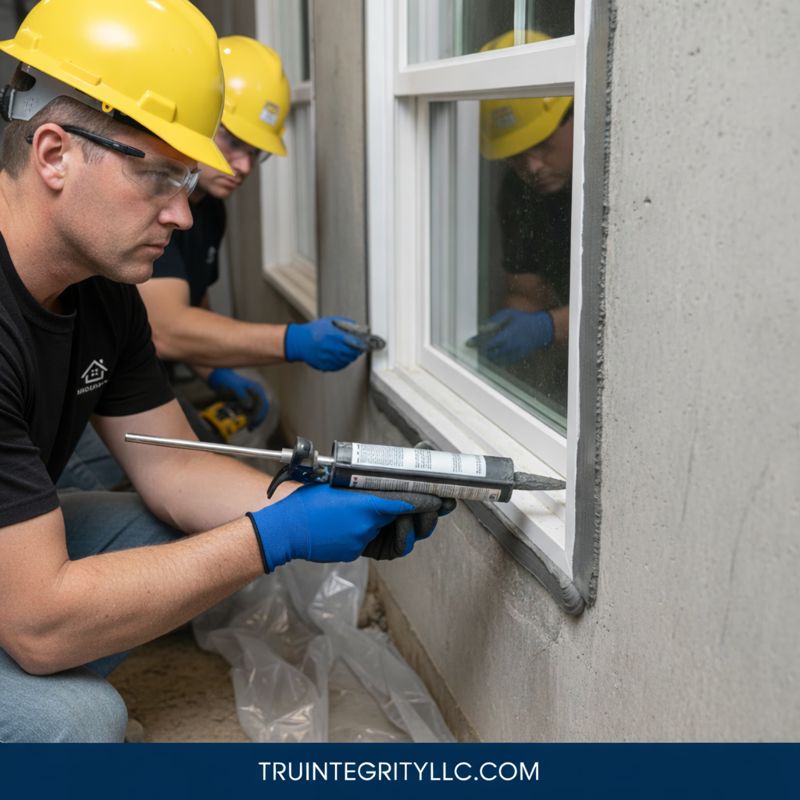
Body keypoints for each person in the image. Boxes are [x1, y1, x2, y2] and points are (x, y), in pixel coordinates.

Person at [0, 0, 451, 743]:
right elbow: (38, 623)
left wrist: (308, 502)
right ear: (54, 154)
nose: (182, 214)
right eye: (160, 178)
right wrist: (274, 539)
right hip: (20, 602)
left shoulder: (102, 296)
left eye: (189, 180)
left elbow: (173, 472)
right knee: (79, 724)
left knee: (161, 526)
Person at [139, 35, 366, 432]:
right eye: (233, 141)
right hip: (88, 396)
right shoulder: (148, 199)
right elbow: (166, 329)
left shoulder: (210, 210)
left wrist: (214, 373)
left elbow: (192, 301)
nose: (244, 165)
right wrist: (294, 341)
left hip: (144, 379)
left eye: (255, 152)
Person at [471, 31, 574, 368]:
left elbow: (633, 305)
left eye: (542, 143)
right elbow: (526, 294)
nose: (531, 167)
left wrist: (549, 327)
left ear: (575, 110)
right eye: (516, 156)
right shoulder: (518, 193)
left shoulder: (620, 178)